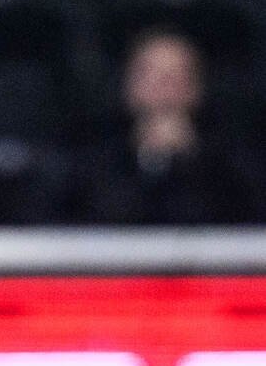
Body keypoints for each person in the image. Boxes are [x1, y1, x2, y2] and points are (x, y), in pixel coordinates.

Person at [68, 25, 259, 225]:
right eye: (152, 74)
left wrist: (189, 161)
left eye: (176, 76)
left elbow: (238, 219)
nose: (164, 86)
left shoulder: (230, 157)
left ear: (196, 88)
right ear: (129, 84)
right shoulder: (89, 151)